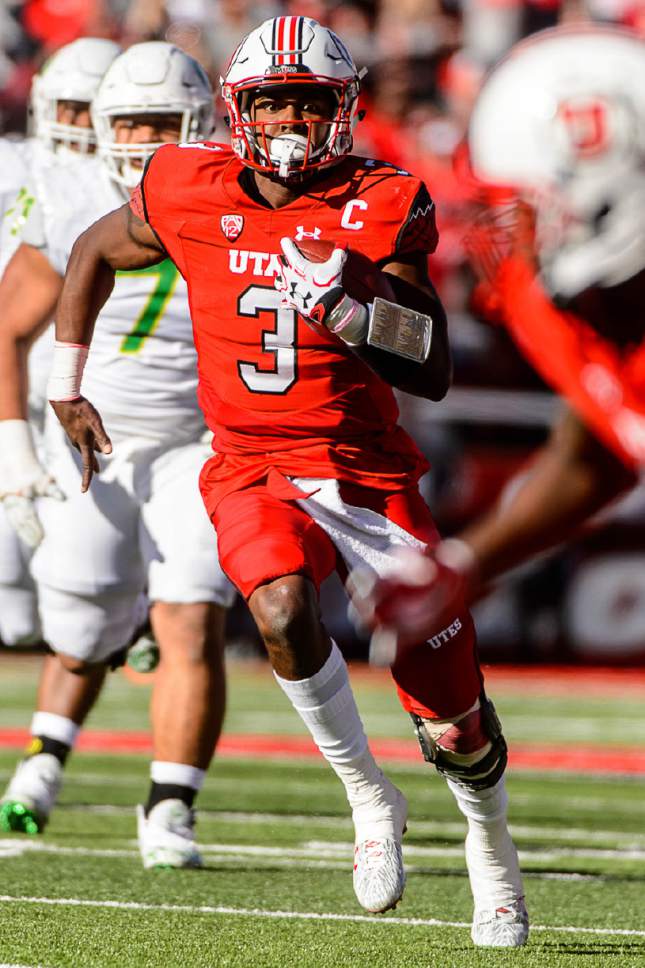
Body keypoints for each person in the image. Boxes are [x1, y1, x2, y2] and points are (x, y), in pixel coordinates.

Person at [41, 17, 529, 947]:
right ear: (241, 110)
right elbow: (95, 251)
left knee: (456, 719)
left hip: (364, 473)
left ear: (339, 109)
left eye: (309, 100)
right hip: (251, 463)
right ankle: (366, 796)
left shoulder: (381, 198)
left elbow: (430, 368)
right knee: (272, 610)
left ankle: (489, 845)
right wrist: (66, 386)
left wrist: (351, 305)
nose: (292, 119)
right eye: (274, 102)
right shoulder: (188, 183)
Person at [0, 41, 236, 869]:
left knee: (192, 616)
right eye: (128, 122)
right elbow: (7, 325)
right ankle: (44, 756)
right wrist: (15, 453)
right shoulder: (68, 203)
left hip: (199, 444)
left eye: (160, 123)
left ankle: (170, 808)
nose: (141, 140)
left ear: (201, 124)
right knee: (79, 625)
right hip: (88, 440)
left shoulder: (238, 197)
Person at [348, 26, 644, 655]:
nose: (506, 224)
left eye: (528, 201)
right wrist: (466, 562)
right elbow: (599, 441)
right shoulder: (585, 302)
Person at [0, 37, 122, 648]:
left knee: (58, 602)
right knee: (14, 608)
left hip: (68, 386)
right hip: (15, 377)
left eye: (89, 108)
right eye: (67, 107)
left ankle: (120, 622)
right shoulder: (15, 168)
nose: (76, 124)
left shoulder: (119, 183)